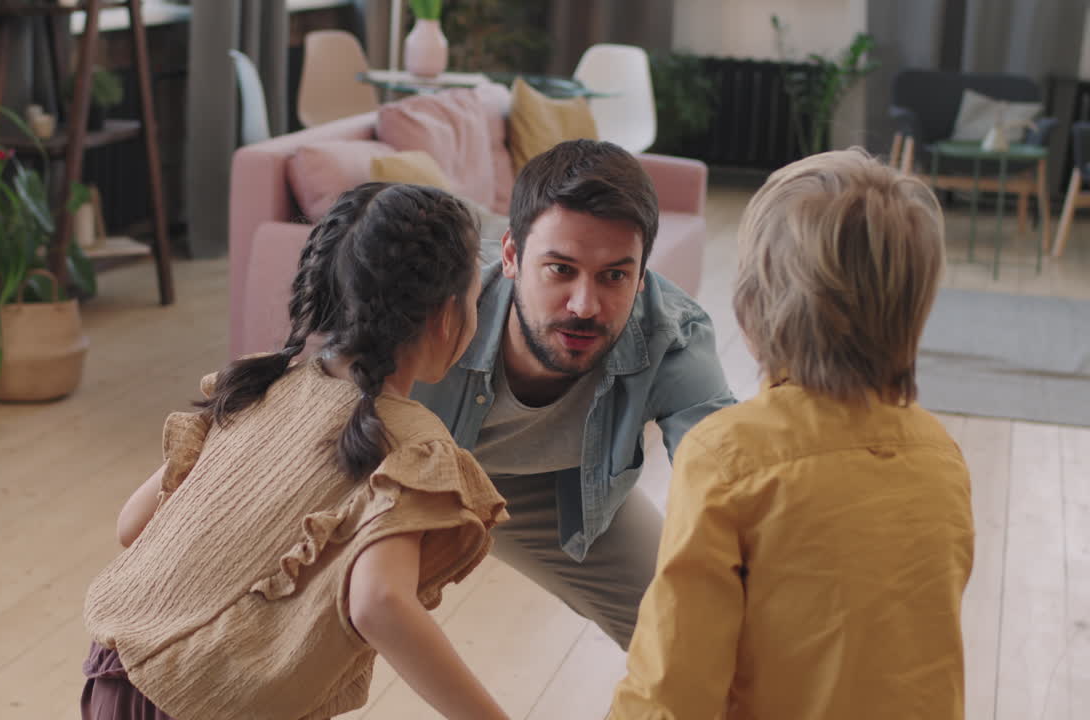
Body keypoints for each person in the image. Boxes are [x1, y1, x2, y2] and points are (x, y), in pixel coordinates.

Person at [81, 183, 511, 720]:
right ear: (447, 315)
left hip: (113, 674)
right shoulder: (413, 444)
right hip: (202, 702)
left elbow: (132, 524)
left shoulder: (262, 381)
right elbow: (379, 603)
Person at [609, 149, 975, 719]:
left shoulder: (727, 458)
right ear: (913, 312)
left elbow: (673, 689)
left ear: (751, 311)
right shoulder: (940, 454)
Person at [412, 139, 736, 648]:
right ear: (513, 256)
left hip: (553, 489)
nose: (585, 305)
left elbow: (730, 479)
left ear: (642, 275)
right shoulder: (430, 300)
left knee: (700, 635)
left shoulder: (672, 335)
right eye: (561, 269)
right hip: (395, 468)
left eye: (614, 276)